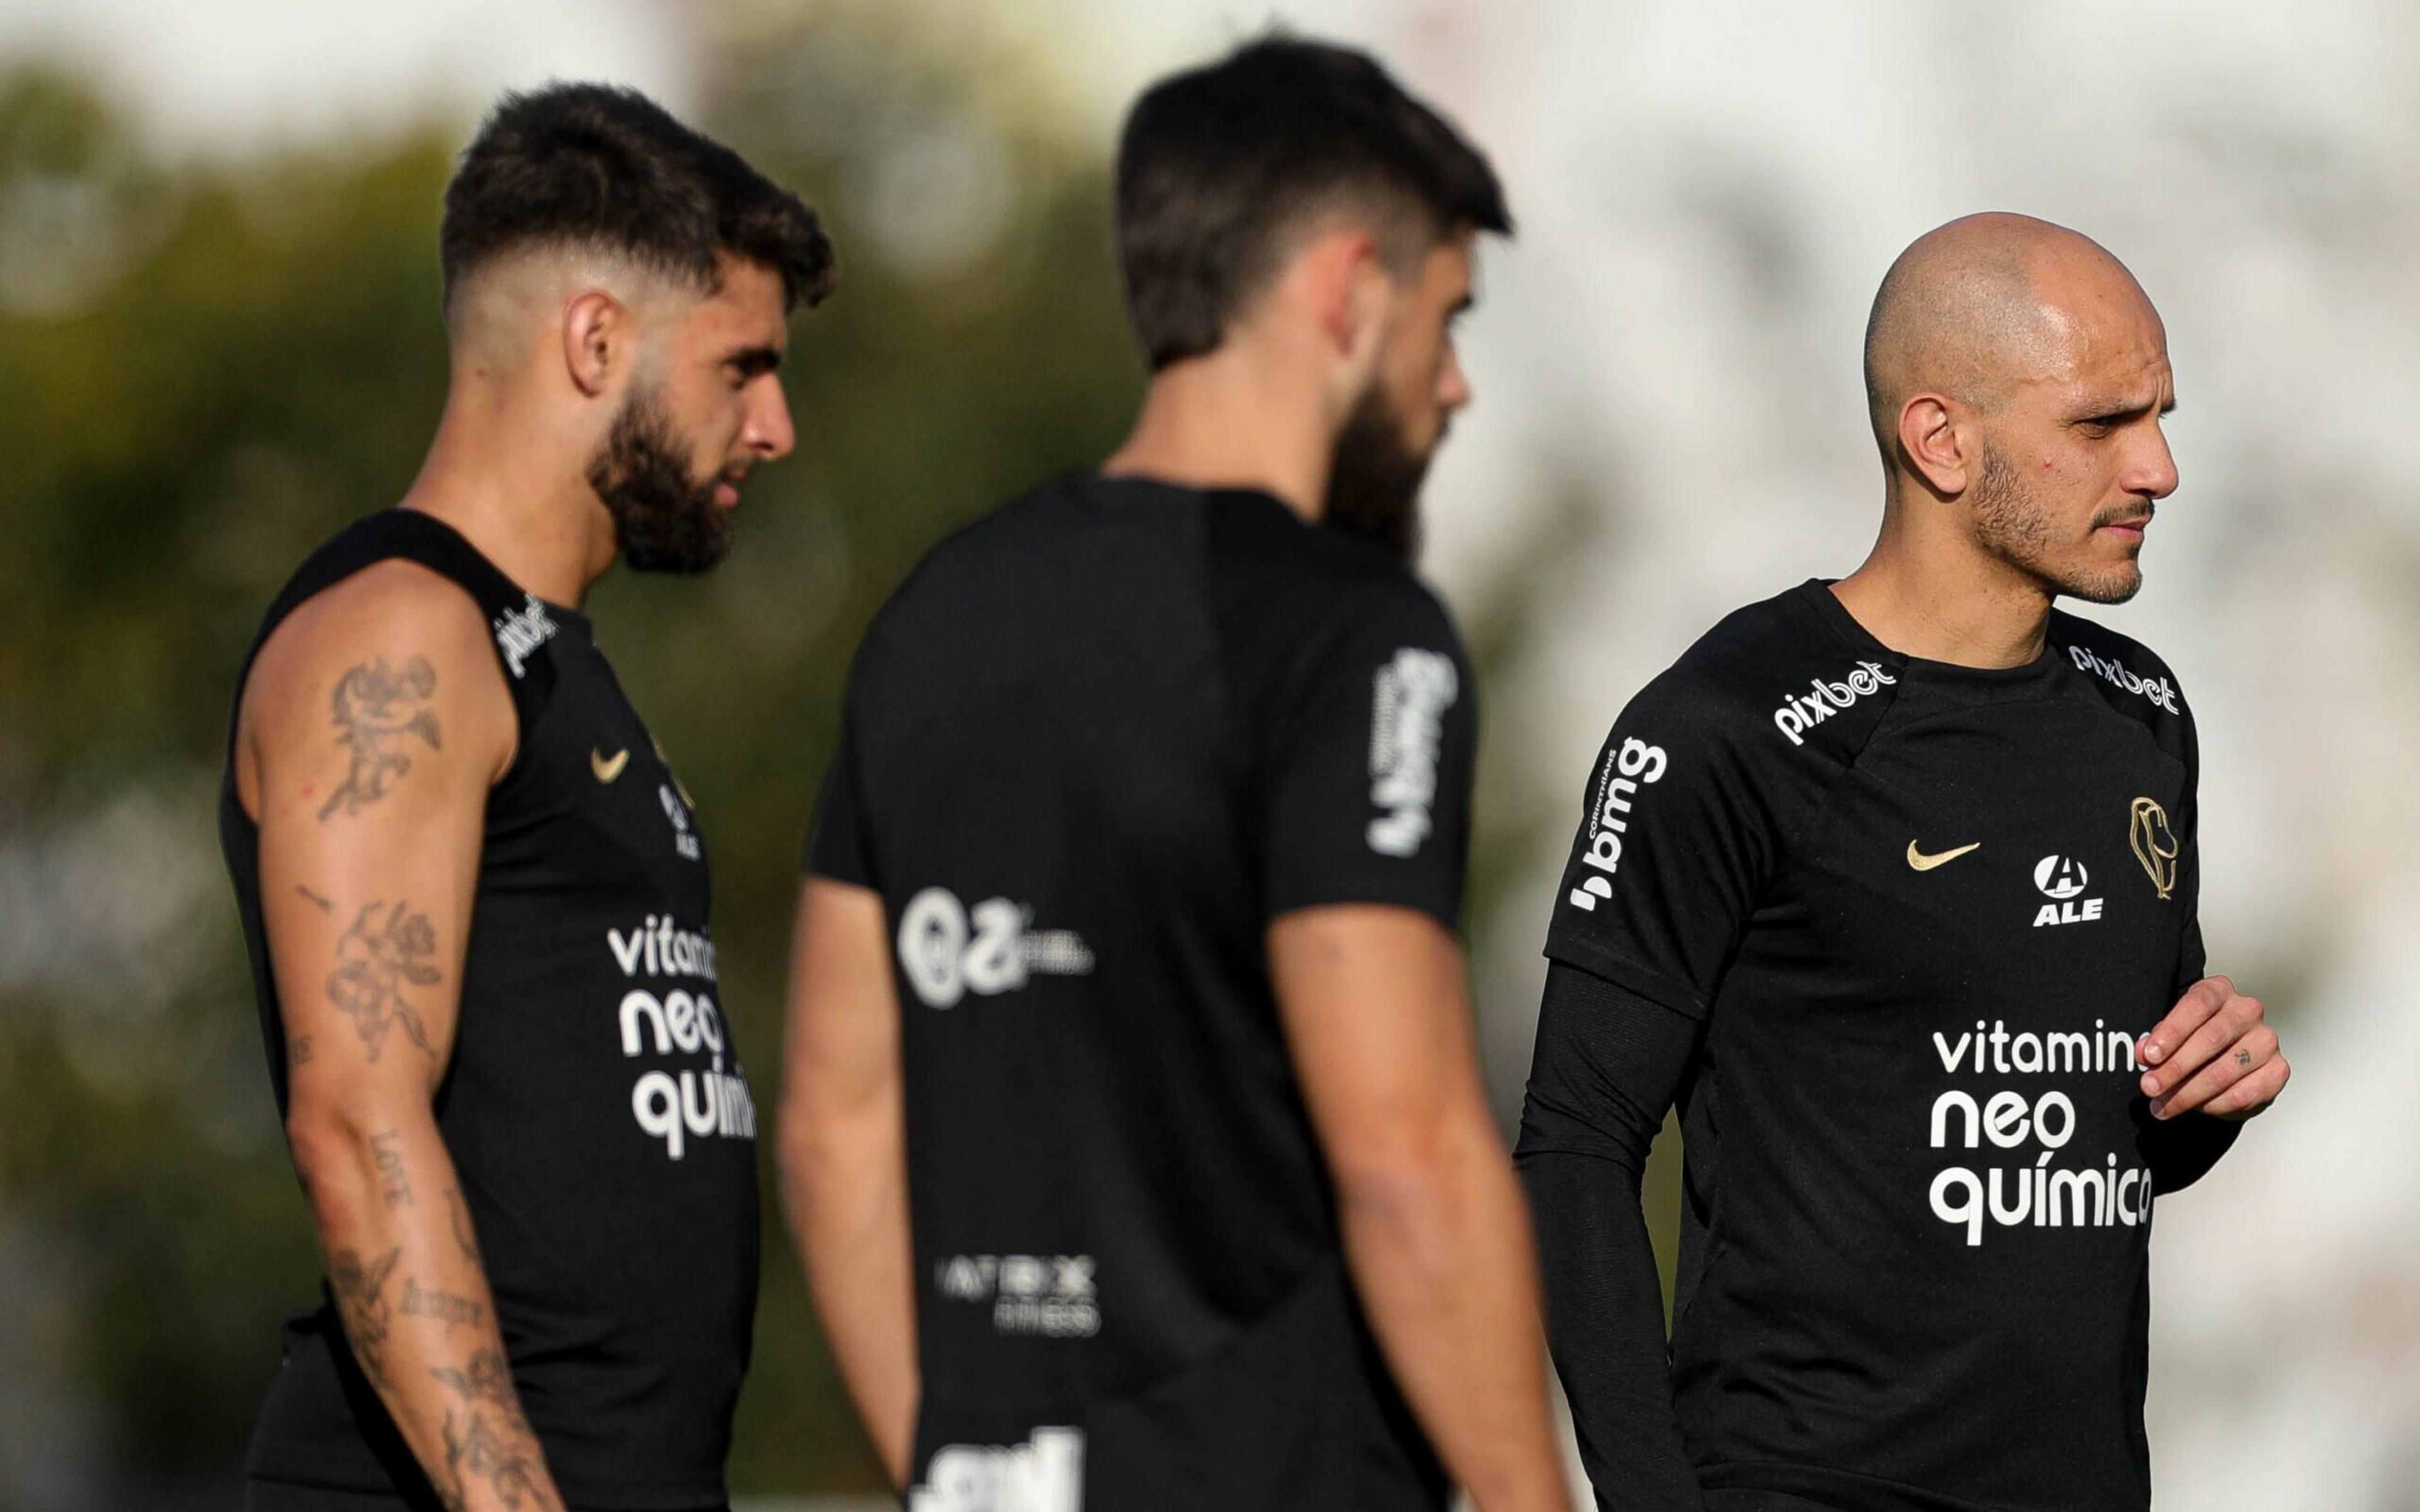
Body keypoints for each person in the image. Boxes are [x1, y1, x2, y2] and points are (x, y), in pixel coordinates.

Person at [779, 36, 1570, 1512]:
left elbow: (833, 1128)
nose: (1455, 386)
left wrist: (951, 1471)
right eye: (1446, 320)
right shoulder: (1356, 632)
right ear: (1346, 289)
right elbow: (1406, 1153)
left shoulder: (933, 613)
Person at [1516, 212, 2290, 1512]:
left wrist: (2201, 1098)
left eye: (2162, 415)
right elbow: (1576, 1141)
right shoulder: (1727, 724)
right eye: (2102, 425)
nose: (2159, 468)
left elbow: (2081, 1138)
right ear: (1942, 439)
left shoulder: (2141, 712)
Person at [218, 84, 831, 1512]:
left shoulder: (550, 663)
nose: (778, 426)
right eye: (742, 367)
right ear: (597, 339)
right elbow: (356, 1129)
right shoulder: (401, 639)